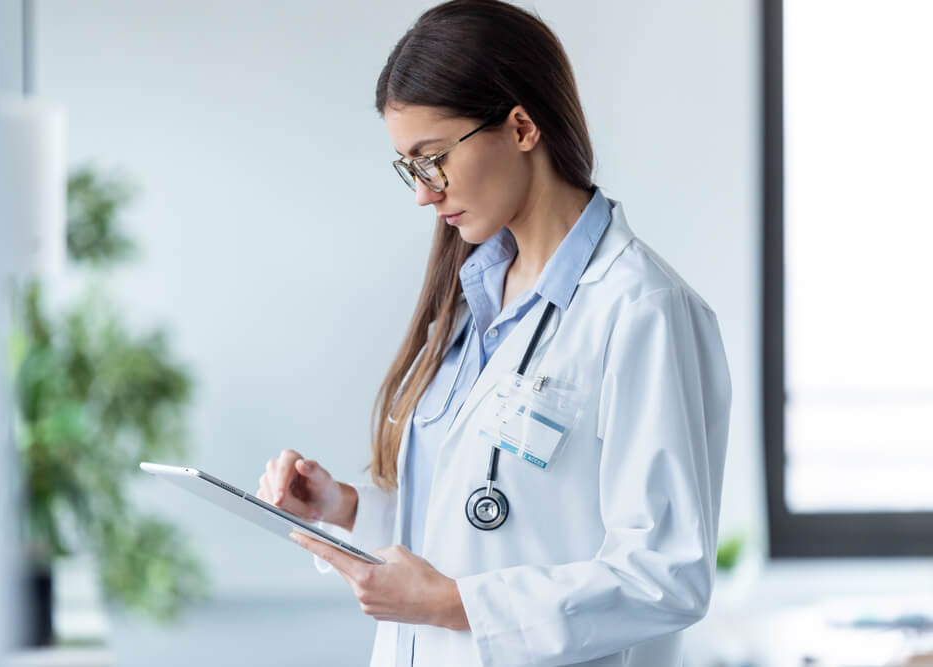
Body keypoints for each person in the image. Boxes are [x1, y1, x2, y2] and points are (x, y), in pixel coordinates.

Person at [256, 1, 731, 665]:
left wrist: (454, 604)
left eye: (432, 159)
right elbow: (478, 519)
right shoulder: (468, 300)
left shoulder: (640, 309)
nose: (423, 193)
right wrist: (343, 506)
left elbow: (664, 576)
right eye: (409, 167)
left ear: (521, 125)